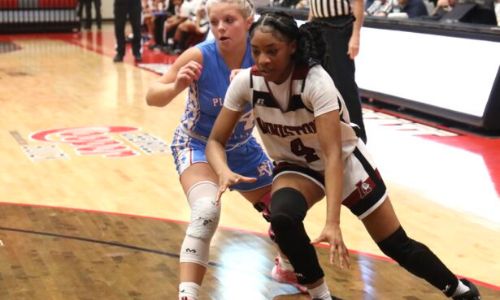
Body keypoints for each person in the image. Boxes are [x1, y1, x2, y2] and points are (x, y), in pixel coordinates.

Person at [206, 12, 481, 300]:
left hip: (345, 162)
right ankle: (321, 296)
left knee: (395, 244)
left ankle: (460, 291)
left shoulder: (316, 82)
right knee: (282, 218)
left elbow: (332, 154)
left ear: (292, 47)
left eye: (272, 51)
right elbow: (215, 140)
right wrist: (222, 169)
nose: (262, 60)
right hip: (298, 167)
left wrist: (332, 222)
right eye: (256, 51)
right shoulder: (247, 83)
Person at [145, 1, 276, 299]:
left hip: (242, 146)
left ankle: (291, 267)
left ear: (248, 21)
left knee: (285, 210)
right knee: (206, 211)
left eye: (229, 20)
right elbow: (153, 97)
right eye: (214, 21)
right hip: (197, 144)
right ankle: (188, 294)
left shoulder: (264, 56)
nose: (220, 28)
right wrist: (176, 85)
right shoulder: (199, 55)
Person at [308, 0, 367, 143]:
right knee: (317, 83)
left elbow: (358, 4)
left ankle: (358, 137)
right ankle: (326, 133)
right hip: (317, 26)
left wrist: (356, 36)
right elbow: (313, 7)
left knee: (344, 84)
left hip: (339, 27)